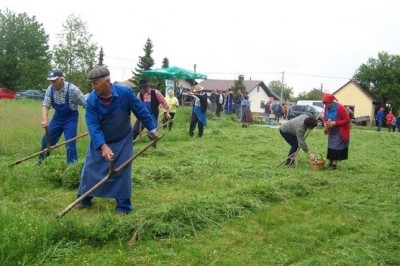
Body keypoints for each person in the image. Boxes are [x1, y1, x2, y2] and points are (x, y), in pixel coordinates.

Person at [77, 66, 159, 215]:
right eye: (91, 84)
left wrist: (152, 129)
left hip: (122, 139)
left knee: (121, 170)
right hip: (100, 139)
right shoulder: (91, 100)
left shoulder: (125, 93)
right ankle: (84, 199)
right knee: (91, 168)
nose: (93, 87)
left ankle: (123, 206)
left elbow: (141, 111)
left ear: (107, 81)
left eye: (96, 83)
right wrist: (103, 146)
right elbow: (93, 126)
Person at [37, 69, 86, 165]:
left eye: (55, 80)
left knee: (70, 143)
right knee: (46, 140)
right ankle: (41, 163)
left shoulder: (72, 89)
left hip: (70, 119)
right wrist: (44, 119)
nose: (52, 83)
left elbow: (86, 102)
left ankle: (72, 167)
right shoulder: (50, 89)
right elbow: (46, 105)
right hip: (57, 118)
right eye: (51, 81)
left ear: (62, 79)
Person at [322, 94, 351, 170]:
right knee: (331, 146)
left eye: (327, 103)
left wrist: (335, 123)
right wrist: (325, 123)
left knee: (336, 147)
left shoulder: (340, 108)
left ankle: (334, 165)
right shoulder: (326, 108)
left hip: (340, 130)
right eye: (324, 103)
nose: (326, 105)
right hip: (332, 130)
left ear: (331, 102)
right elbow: (324, 118)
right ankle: (330, 162)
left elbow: (347, 120)